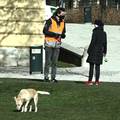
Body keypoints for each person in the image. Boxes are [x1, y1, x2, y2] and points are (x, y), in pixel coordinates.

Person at [43, 7, 66, 82]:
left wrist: (63, 35)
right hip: (49, 44)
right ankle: (46, 77)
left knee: (55, 62)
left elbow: (63, 32)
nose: (64, 15)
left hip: (57, 44)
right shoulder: (50, 20)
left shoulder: (63, 22)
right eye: (63, 14)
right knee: (48, 62)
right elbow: (45, 31)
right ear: (58, 13)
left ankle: (53, 78)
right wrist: (54, 35)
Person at [86, 19, 107, 86]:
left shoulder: (95, 32)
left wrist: (89, 50)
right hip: (100, 51)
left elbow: (92, 42)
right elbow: (105, 43)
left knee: (91, 66)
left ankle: (90, 81)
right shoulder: (104, 33)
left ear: (96, 25)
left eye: (94, 24)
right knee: (98, 67)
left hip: (93, 51)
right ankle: (97, 81)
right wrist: (105, 52)